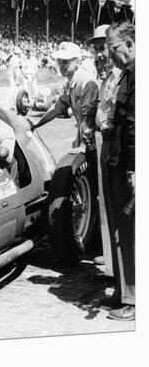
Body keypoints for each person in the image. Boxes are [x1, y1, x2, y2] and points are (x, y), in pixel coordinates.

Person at [104, 21, 135, 321]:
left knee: (130, 232)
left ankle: (134, 300)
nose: (109, 53)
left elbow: (136, 127)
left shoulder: (138, 74)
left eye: (113, 47)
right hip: (119, 161)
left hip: (129, 165)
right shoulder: (127, 73)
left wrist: (136, 169)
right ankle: (125, 292)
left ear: (128, 44)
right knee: (121, 231)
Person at [86, 25, 121, 277]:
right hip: (103, 140)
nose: (99, 53)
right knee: (105, 203)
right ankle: (110, 261)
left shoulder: (122, 76)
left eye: (104, 47)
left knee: (117, 207)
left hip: (116, 144)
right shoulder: (107, 77)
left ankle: (118, 267)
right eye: (96, 48)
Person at [33, 42, 99, 153]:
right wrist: (37, 124)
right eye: (59, 61)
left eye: (65, 61)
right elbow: (56, 108)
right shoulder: (68, 83)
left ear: (76, 61)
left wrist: (83, 147)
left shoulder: (86, 82)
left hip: (96, 141)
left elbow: (88, 121)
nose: (61, 65)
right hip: (86, 139)